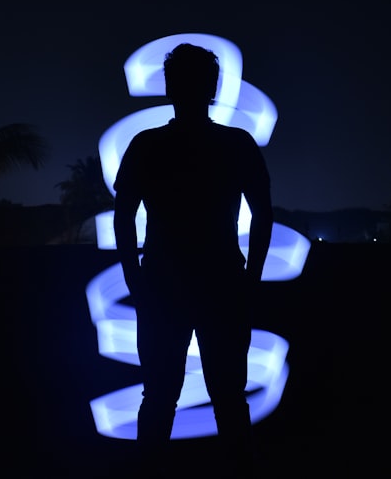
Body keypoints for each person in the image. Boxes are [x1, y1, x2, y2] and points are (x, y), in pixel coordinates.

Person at [113, 43, 273, 476]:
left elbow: (124, 214)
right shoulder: (235, 144)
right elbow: (263, 211)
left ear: (169, 87)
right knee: (227, 398)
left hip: (164, 285)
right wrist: (250, 280)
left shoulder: (147, 145)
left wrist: (136, 280)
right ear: (214, 87)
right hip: (220, 283)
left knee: (160, 397)